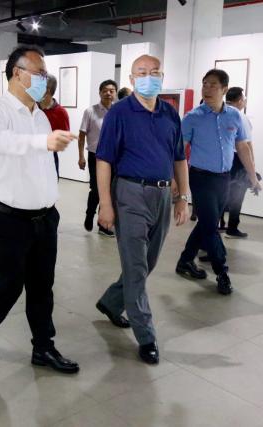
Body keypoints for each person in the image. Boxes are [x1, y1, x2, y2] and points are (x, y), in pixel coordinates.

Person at [0, 46, 80, 374]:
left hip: (44, 217)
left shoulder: (40, 115)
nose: (44, 79)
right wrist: (41, 142)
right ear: (17, 73)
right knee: (7, 287)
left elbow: (41, 163)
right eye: (39, 72)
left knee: (42, 286)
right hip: (9, 218)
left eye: (45, 73)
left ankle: (43, 347)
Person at [95, 55, 190, 365]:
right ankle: (146, 336)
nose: (149, 77)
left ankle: (112, 301)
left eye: (155, 72)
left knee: (147, 263)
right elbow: (104, 160)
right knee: (136, 266)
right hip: (130, 194)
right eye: (142, 72)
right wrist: (105, 204)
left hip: (162, 195)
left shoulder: (170, 113)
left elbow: (179, 158)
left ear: (162, 76)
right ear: (132, 79)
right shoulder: (119, 113)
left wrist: (182, 196)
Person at [175, 69, 261, 296]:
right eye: (204, 84)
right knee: (211, 227)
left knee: (207, 222)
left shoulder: (234, 116)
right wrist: (176, 181)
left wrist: (253, 177)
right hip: (200, 178)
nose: (207, 89)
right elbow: (179, 151)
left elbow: (242, 147)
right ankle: (222, 272)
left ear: (224, 89)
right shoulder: (192, 117)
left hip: (224, 178)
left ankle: (185, 261)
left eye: (213, 85)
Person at [78, 79, 117, 237]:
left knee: (110, 191)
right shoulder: (90, 111)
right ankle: (90, 214)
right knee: (96, 189)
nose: (108, 93)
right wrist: (81, 156)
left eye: (111, 91)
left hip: (113, 157)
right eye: (105, 90)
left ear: (115, 93)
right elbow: (81, 135)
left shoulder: (118, 111)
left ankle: (103, 225)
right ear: (100, 92)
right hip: (95, 156)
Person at [222, 86, 255, 238]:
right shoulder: (241, 117)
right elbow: (246, 144)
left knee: (221, 192)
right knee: (237, 194)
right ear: (240, 100)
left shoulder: (219, 113)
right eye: (244, 99)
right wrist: (252, 165)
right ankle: (232, 228)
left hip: (222, 158)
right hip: (237, 159)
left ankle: (218, 224)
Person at [39, 74, 69, 177]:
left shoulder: (61, 113)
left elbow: (64, 139)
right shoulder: (31, 108)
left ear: (47, 90)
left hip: (49, 157)